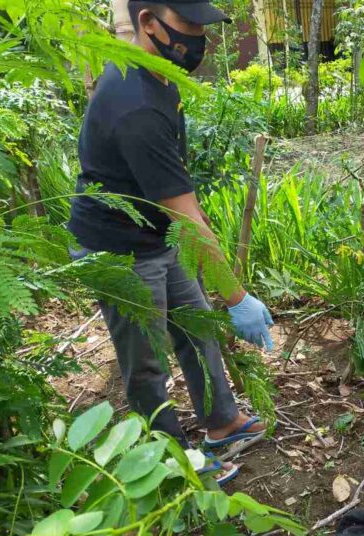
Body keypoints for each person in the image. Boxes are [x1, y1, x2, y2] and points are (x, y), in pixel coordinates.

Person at [68, 0, 272, 483]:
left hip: (155, 233)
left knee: (197, 328)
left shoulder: (158, 75)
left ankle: (222, 423)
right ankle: (172, 461)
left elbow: (177, 193)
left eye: (203, 26)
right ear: (147, 23)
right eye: (189, 25)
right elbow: (189, 220)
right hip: (115, 248)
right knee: (147, 363)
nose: (199, 38)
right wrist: (238, 297)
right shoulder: (135, 106)